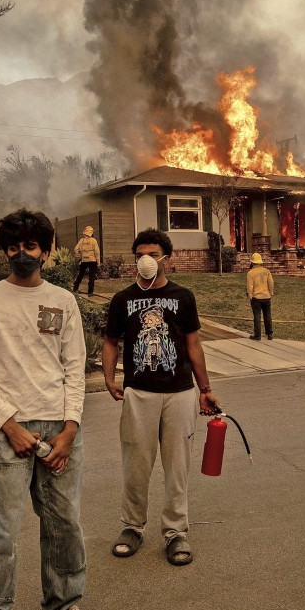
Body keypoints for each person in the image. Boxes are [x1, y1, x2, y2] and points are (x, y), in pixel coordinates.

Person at [0, 208, 96, 610]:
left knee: (64, 526)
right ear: (6, 250)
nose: (22, 253)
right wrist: (10, 425)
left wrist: (71, 428)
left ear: (47, 250)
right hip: (8, 433)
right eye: (14, 245)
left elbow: (73, 367)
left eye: (31, 245)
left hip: (59, 429)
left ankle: (62, 609)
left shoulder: (63, 300)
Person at [102, 228, 220, 567]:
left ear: (167, 258)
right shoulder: (123, 299)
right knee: (135, 466)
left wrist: (205, 388)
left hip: (180, 393)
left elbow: (193, 344)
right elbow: (111, 341)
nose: (146, 261)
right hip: (138, 393)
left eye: (153, 254)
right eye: (140, 254)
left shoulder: (183, 296)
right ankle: (132, 527)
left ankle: (175, 532)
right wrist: (110, 379)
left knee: (177, 467)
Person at [245, 252, 274, 341]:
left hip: (256, 297)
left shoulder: (250, 273)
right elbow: (271, 282)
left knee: (257, 316)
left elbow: (250, 286)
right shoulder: (266, 271)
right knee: (267, 315)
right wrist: (271, 292)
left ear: (252, 262)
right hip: (266, 296)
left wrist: (250, 295)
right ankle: (270, 334)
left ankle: (257, 335)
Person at [72, 224, 101, 295]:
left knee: (80, 274)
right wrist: (98, 262)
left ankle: (75, 288)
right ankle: (90, 292)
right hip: (92, 260)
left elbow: (75, 249)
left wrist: (78, 256)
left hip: (84, 260)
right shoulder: (93, 241)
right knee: (91, 276)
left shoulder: (81, 241)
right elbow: (97, 252)